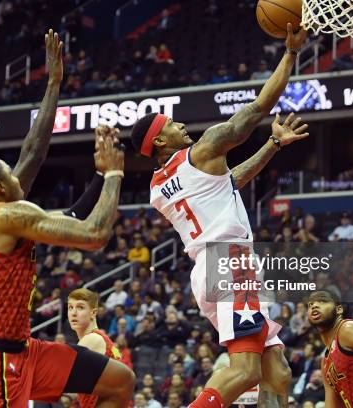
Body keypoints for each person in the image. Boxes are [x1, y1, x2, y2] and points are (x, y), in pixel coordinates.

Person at [130, 23, 307, 408]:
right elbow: (258, 108)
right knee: (245, 371)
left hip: (208, 269)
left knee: (277, 371)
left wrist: (274, 144)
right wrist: (291, 54)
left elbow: (230, 182)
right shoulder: (205, 148)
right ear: (160, 140)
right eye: (172, 125)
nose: (181, 125)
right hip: (231, 261)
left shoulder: (158, 187)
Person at [0, 126, 132, 408]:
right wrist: (113, 173)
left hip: (12, 349)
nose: (17, 177)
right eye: (10, 174)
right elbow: (94, 233)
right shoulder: (2, 215)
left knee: (120, 380)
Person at [68, 288, 126, 408]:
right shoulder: (102, 338)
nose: (73, 313)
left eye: (80, 307)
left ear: (93, 313)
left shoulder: (91, 339)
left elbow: (63, 378)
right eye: (70, 307)